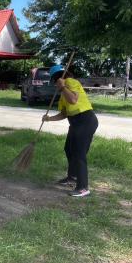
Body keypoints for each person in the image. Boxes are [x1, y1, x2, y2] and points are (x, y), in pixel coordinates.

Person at [42, 64, 99, 197]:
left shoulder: (71, 82)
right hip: (75, 123)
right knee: (69, 149)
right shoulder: (62, 93)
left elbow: (73, 100)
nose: (55, 85)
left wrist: (63, 86)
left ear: (57, 78)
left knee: (79, 154)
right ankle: (72, 177)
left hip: (86, 120)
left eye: (54, 81)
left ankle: (83, 188)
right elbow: (64, 114)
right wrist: (49, 119)